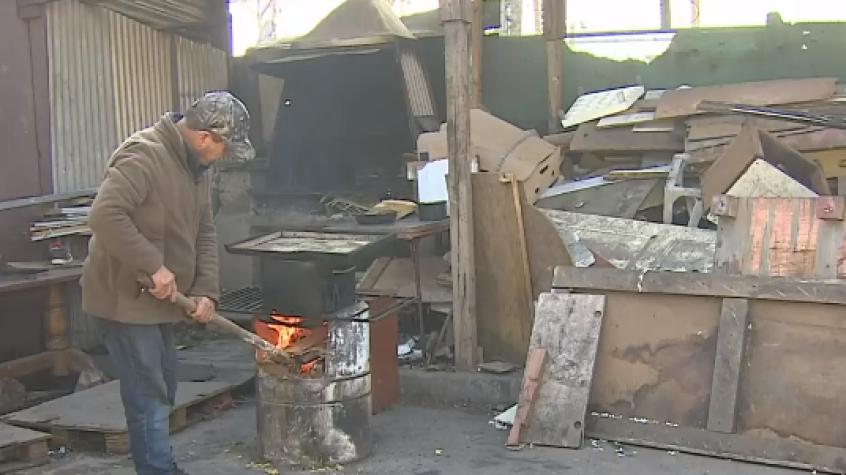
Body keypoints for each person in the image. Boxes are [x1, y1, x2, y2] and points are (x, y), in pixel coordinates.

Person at [81, 92, 254, 475]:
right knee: (148, 396)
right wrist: (153, 265)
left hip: (164, 303)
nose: (224, 156)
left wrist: (206, 290)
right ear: (205, 136)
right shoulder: (144, 155)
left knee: (164, 389)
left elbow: (205, 232)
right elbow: (105, 216)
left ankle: (161, 465)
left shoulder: (195, 170)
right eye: (225, 147)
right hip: (124, 301)